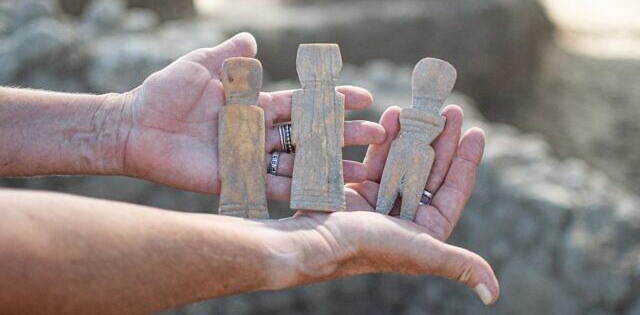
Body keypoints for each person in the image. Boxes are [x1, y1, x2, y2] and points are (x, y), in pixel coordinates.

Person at [0, 33, 499, 314]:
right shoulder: (286, 110)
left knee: (338, 175)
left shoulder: (302, 108)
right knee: (278, 178)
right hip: (303, 184)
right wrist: (309, 247)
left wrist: (120, 126)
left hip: (327, 173)